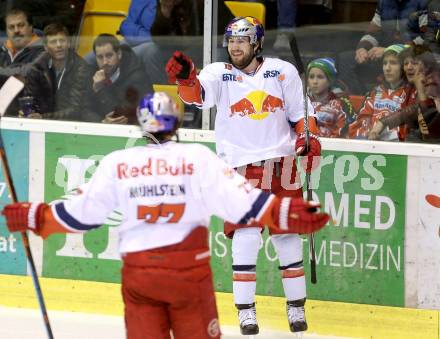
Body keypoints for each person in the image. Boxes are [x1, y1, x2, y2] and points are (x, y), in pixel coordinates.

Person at [1, 92, 329, 339]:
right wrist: (287, 213)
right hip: (188, 276)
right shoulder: (197, 158)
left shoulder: (120, 163)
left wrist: (36, 217)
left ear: (143, 124)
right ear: (176, 123)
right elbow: (242, 203)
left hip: (141, 279)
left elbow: (80, 213)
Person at [165, 16, 322, 335]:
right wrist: (185, 78)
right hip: (239, 168)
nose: (235, 46)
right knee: (246, 240)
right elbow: (197, 95)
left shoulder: (282, 71)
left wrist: (309, 137)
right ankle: (246, 312)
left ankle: (295, 308)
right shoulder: (217, 74)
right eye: (232, 40)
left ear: (257, 43)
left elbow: (301, 115)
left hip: (282, 165)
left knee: (288, 239)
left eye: (243, 40)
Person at [338, 0, 427, 94]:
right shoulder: (384, 3)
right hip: (383, 55)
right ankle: (363, 100)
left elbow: (427, 37)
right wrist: (362, 48)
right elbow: (373, 33)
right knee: (345, 59)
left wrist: (390, 50)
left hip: (410, 55)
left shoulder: (423, 3)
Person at [21, 23, 93, 121]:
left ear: (68, 43)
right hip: (41, 124)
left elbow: (76, 110)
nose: (59, 45)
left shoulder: (81, 68)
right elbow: (30, 99)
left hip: (72, 125)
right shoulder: (37, 68)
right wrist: (29, 112)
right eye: (54, 42)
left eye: (62, 40)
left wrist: (43, 117)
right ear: (46, 47)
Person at [369, 45, 440, 141]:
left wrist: (383, 122)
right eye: (406, 64)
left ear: (426, 65)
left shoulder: (434, 83)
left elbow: (426, 112)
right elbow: (413, 113)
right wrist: (383, 122)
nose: (409, 67)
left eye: (414, 63)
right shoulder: (411, 88)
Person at [349, 44, 416, 140]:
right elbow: (361, 120)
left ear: (404, 66)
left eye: (393, 63)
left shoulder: (412, 93)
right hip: (371, 144)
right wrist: (368, 134)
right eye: (385, 63)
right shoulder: (376, 92)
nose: (387, 68)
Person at [90, 33, 151, 124]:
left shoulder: (137, 78)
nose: (105, 62)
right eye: (100, 57)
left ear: (119, 54)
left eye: (109, 55)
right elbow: (84, 109)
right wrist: (101, 122)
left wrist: (100, 89)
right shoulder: (92, 73)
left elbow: (119, 116)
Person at [307, 57, 355, 138]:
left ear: (330, 81)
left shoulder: (341, 104)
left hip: (330, 147)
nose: (314, 82)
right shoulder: (301, 103)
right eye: (311, 77)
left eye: (320, 77)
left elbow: (346, 131)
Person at [0, 8, 44, 80]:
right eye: (11, 27)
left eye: (21, 25)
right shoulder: (2, 53)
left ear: (30, 27)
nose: (16, 30)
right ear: (6, 31)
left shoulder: (44, 53)